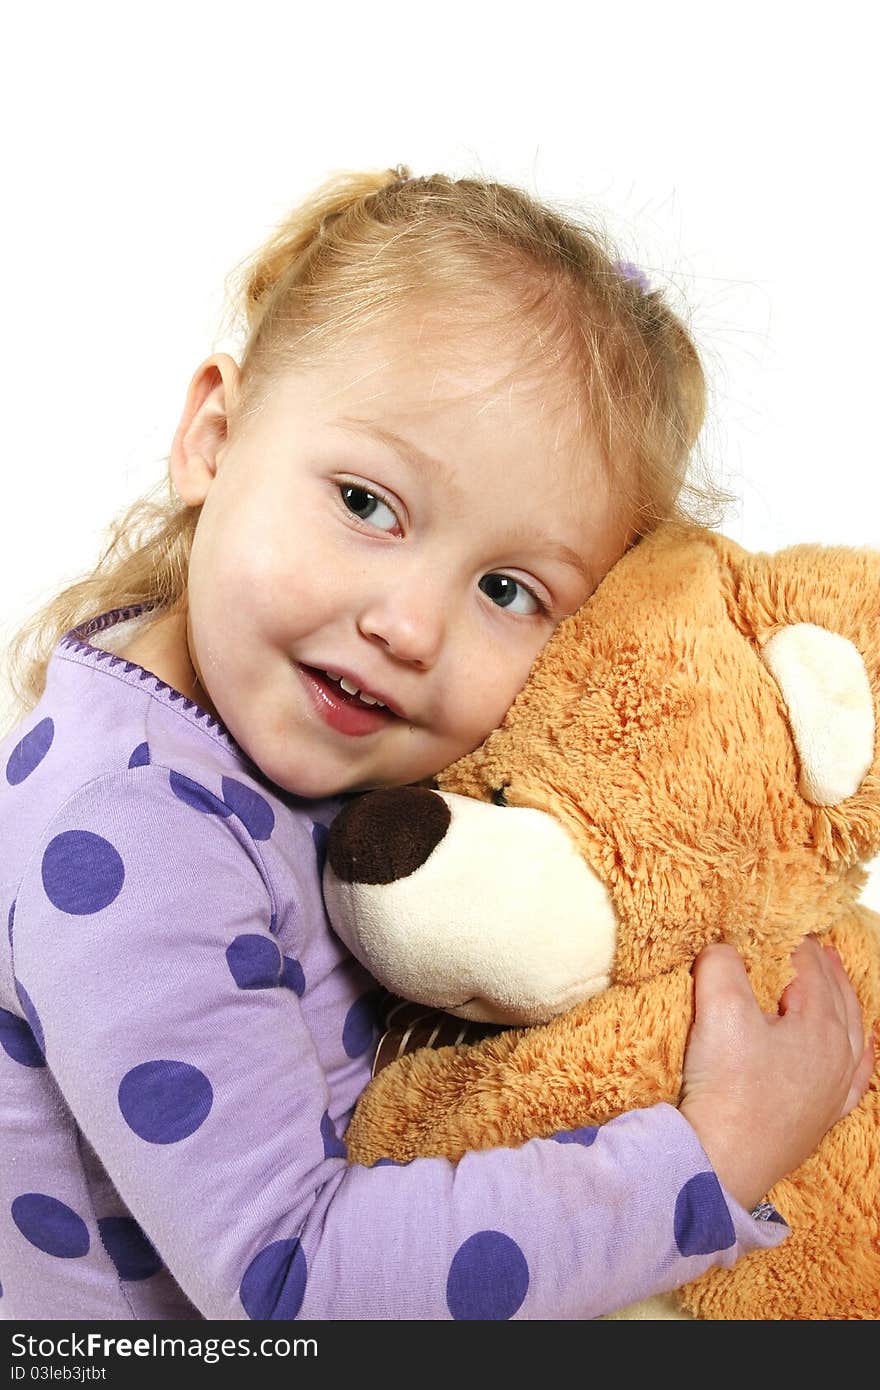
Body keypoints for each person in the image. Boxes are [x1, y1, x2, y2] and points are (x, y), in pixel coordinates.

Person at [0, 166, 872, 1322]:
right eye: (365, 503)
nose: (408, 626)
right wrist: (705, 1158)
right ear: (213, 436)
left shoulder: (260, 736)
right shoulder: (131, 831)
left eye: (508, 588)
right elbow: (288, 1282)